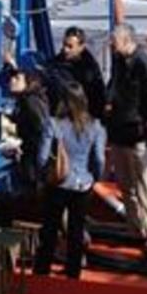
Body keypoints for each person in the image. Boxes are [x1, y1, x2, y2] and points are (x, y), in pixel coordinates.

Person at [34, 81, 106, 280]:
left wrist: (43, 175)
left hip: (58, 182)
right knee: (76, 229)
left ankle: (42, 269)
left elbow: (42, 156)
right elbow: (99, 159)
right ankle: (73, 271)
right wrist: (94, 177)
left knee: (50, 228)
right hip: (83, 183)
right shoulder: (96, 126)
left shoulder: (53, 124)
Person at [105, 22, 147, 246]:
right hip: (118, 131)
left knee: (143, 184)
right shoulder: (118, 59)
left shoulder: (143, 63)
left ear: (126, 41)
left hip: (137, 134)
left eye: (114, 42)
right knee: (126, 185)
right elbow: (114, 84)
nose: (111, 46)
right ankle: (135, 228)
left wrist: (144, 123)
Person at [49, 27, 106, 122]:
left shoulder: (89, 69)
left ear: (81, 47)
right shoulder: (56, 63)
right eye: (64, 45)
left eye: (70, 46)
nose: (65, 50)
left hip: (83, 117)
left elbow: (97, 95)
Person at [8, 68, 50, 193]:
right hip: (31, 152)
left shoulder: (30, 101)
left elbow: (42, 128)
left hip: (33, 155)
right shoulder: (26, 98)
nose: (12, 80)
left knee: (32, 188)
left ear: (28, 83)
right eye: (12, 77)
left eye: (17, 79)